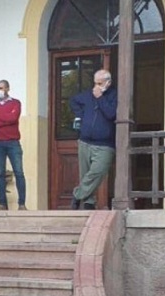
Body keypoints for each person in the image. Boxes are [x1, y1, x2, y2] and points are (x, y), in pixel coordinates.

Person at [69, 69, 117, 210]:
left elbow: (111, 114)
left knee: (97, 172)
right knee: (85, 174)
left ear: (108, 82)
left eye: (100, 83)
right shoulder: (88, 94)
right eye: (95, 83)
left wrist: (100, 98)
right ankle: (89, 203)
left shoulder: (114, 95)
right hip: (84, 141)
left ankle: (77, 195)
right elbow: (73, 101)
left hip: (104, 144)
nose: (96, 86)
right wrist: (81, 115)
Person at [0, 80, 26, 211]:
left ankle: (21, 204)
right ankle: (2, 204)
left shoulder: (16, 103)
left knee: (19, 172)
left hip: (13, 142)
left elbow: (13, 118)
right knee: (0, 173)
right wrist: (5, 119)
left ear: (8, 89)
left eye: (1, 88)